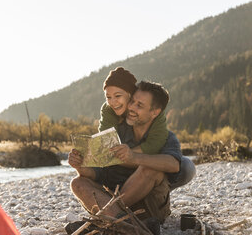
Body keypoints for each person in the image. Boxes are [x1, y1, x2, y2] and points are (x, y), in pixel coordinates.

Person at [67, 80, 196, 234]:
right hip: (114, 201)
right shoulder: (117, 134)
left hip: (149, 207)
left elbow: (174, 164)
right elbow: (99, 173)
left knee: (151, 168)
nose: (131, 108)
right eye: (132, 102)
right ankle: (128, 226)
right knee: (77, 182)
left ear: (155, 112)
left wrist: (133, 157)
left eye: (139, 105)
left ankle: (105, 222)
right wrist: (82, 167)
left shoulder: (167, 138)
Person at [99, 67, 168, 155]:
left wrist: (128, 153)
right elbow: (106, 142)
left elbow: (155, 143)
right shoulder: (108, 109)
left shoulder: (154, 112)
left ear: (130, 95)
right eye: (108, 97)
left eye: (117, 96)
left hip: (152, 156)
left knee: (185, 164)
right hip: (126, 156)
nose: (112, 102)